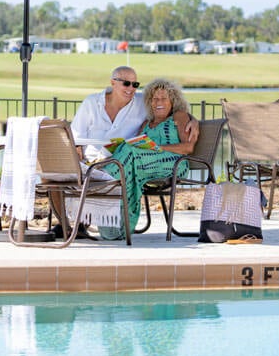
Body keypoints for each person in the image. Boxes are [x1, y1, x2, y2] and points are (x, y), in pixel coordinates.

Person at [70, 68, 198, 239]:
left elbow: (188, 148)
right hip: (142, 164)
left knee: (129, 152)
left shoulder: (179, 116)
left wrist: (159, 147)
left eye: (163, 98)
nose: (158, 102)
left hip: (174, 164)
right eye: (154, 99)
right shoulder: (146, 121)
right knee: (127, 154)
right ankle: (117, 226)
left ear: (173, 100)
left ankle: (105, 177)